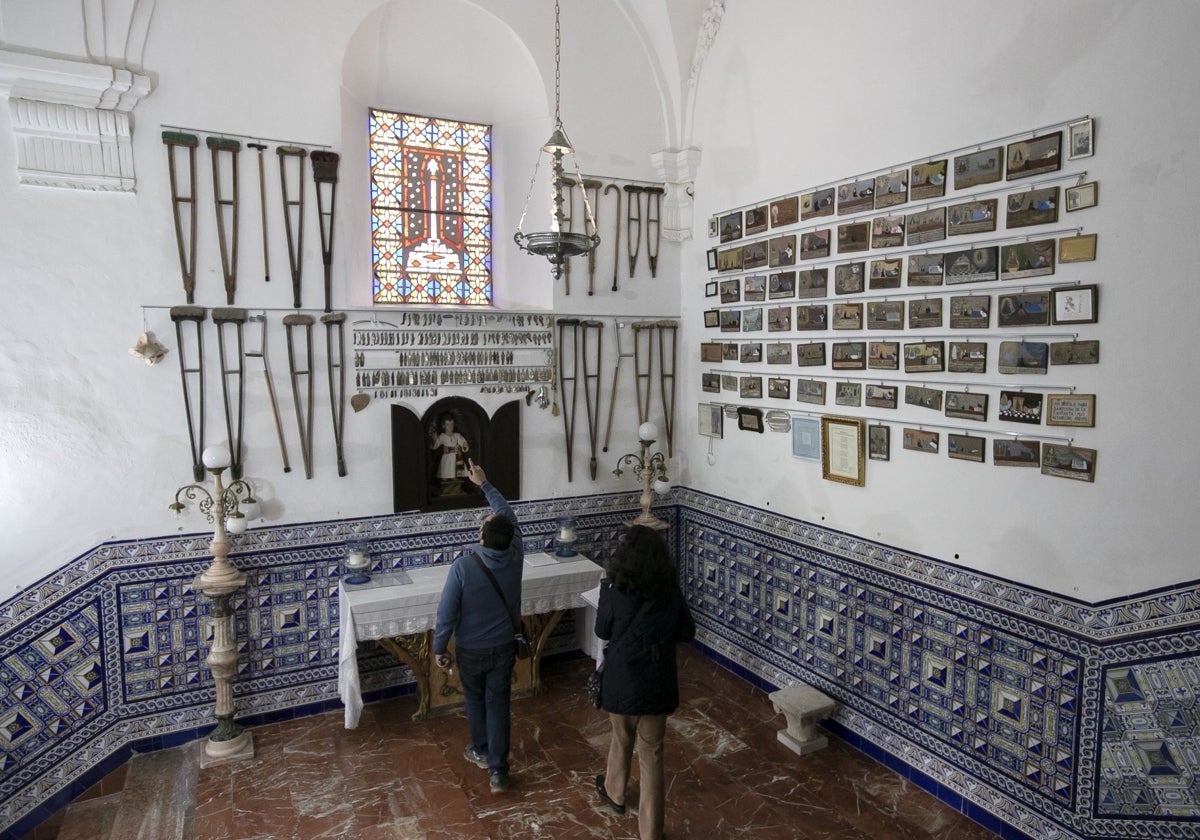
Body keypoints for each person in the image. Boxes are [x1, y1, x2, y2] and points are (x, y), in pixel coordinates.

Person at [593, 525, 695, 840]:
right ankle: (651, 832)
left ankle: (615, 793)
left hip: (622, 677)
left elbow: (602, 631)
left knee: (621, 736)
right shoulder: (669, 592)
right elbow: (686, 632)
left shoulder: (612, 589)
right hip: (655, 680)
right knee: (652, 754)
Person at [433, 460, 523, 793]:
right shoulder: (516, 554)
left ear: (480, 535)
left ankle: (482, 751)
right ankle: (498, 770)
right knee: (499, 703)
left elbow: (446, 613)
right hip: (503, 646)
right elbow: (508, 516)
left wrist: (440, 648)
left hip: (470, 649)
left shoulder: (463, 567)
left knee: (475, 700)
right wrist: (485, 484)